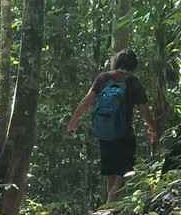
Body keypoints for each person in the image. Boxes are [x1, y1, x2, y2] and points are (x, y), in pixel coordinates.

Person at [66, 48, 157, 205]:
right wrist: (153, 129)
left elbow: (86, 101)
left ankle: (113, 211)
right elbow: (144, 110)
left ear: (117, 62)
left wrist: (73, 122)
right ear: (134, 65)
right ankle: (108, 208)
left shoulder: (103, 78)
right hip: (124, 135)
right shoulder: (133, 83)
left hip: (105, 132)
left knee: (111, 173)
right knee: (126, 172)